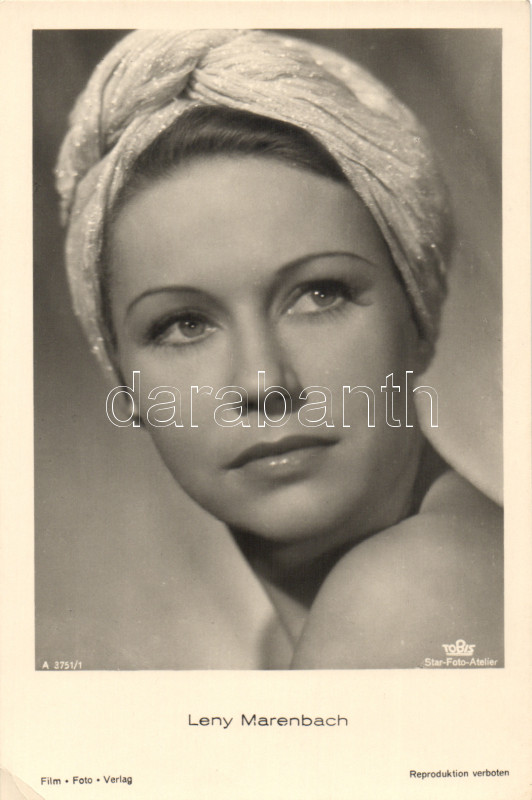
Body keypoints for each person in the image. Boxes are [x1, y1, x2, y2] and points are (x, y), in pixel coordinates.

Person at [53, 29, 503, 669]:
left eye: (320, 294)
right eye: (184, 324)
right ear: (125, 386)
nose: (263, 382)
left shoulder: (413, 594)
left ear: (417, 316)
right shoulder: (289, 639)